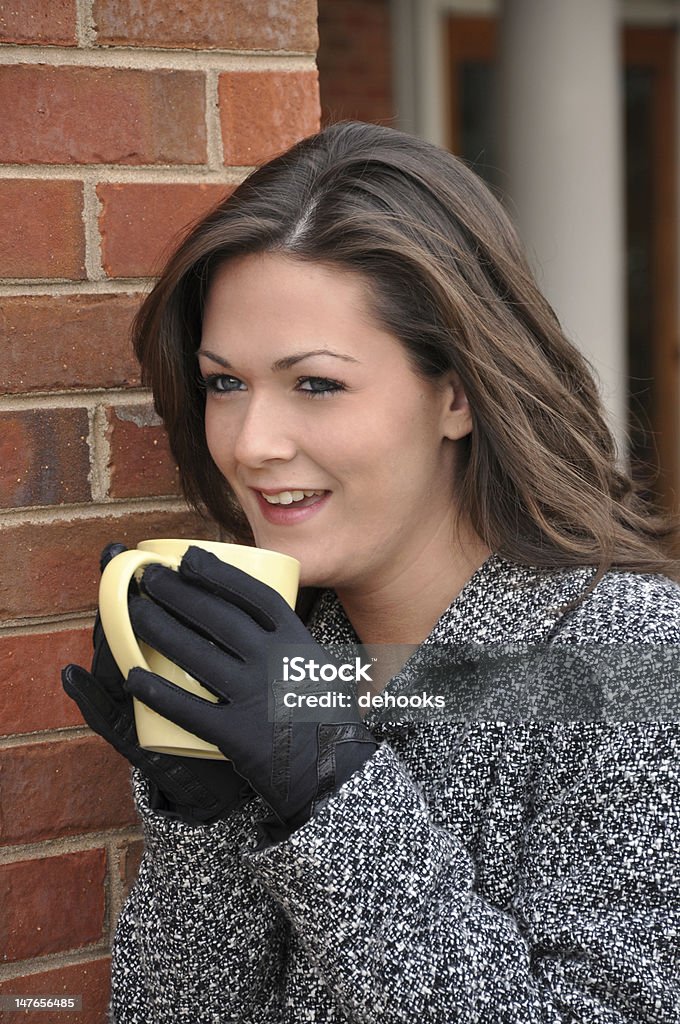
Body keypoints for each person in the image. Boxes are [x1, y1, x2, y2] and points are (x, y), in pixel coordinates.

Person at [62, 120, 680, 1023]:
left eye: (315, 384)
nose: (251, 444)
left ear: (458, 393)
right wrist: (206, 817)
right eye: (224, 383)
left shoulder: (632, 656)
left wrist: (331, 792)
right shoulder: (292, 654)